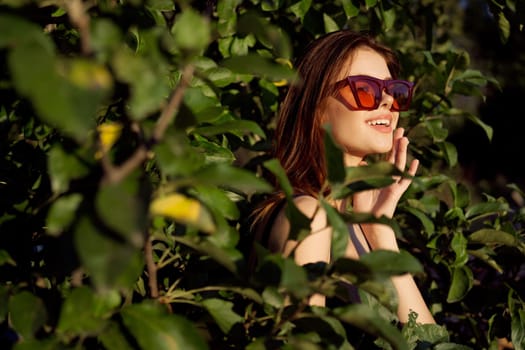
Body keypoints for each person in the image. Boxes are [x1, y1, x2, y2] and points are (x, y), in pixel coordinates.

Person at [250, 29, 436, 325]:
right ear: (316, 107)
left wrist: (381, 235)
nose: (387, 101)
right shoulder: (310, 218)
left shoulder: (346, 224)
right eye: (365, 89)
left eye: (394, 90)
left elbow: (428, 343)